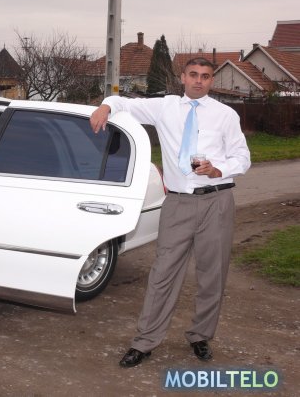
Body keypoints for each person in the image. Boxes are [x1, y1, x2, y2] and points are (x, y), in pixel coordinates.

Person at [90, 57, 251, 368]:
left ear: (212, 81)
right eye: (194, 74)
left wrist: (218, 169)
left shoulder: (226, 115)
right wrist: (105, 107)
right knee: (163, 274)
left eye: (205, 76)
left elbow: (242, 157)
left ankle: (200, 336)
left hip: (217, 201)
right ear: (183, 77)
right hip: (177, 204)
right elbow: (123, 102)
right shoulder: (165, 107)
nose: (199, 81)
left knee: (212, 274)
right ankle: (144, 341)